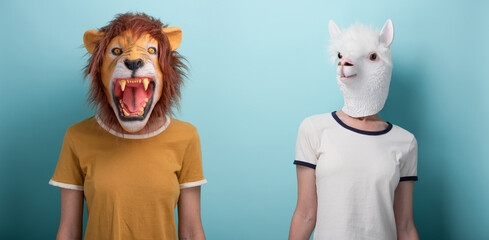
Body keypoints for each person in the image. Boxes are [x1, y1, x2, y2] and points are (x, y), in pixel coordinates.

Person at [49, 13, 207, 240]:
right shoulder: (77, 136)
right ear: (100, 71)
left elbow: (192, 232)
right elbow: (68, 232)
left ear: (166, 71)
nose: (133, 59)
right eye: (116, 51)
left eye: (151, 51)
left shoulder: (186, 137)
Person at [289, 20, 419, 240]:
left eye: (371, 57)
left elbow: (405, 226)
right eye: (341, 57)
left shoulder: (405, 142)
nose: (345, 63)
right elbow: (305, 214)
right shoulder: (314, 129)